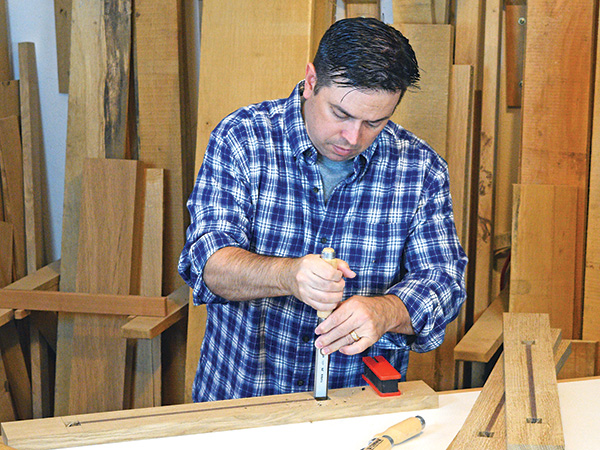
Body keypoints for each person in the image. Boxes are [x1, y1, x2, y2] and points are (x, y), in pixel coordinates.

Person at [178, 17, 467, 403]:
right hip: (241, 397)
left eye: (375, 122)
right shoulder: (242, 139)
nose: (352, 138)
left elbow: (444, 281)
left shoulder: (420, 168)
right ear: (312, 81)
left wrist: (386, 311)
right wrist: (288, 274)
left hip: (356, 406)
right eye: (341, 114)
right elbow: (208, 263)